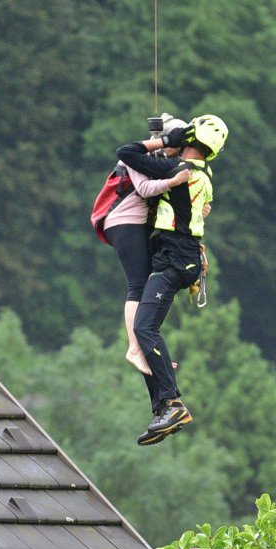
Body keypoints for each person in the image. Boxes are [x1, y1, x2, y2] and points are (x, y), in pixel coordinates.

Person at [116, 114, 228, 445]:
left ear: (189, 139)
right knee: (144, 329)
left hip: (173, 263)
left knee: (144, 328)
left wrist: (165, 141)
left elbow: (127, 151)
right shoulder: (204, 174)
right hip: (181, 259)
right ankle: (162, 407)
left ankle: (172, 403)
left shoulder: (178, 171)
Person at [102, 113, 192, 375]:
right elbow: (144, 189)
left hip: (139, 224)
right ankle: (134, 348)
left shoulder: (166, 161)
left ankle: (149, 348)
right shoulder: (139, 157)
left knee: (151, 283)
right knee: (137, 285)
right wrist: (174, 181)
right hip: (124, 220)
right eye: (180, 142)